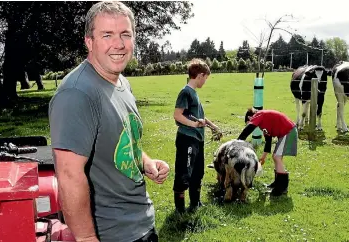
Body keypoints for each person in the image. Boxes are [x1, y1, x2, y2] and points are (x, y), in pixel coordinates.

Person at [48, 2, 169, 241]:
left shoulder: (120, 82)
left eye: (126, 34)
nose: (119, 44)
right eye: (107, 35)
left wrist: (146, 163)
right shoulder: (77, 93)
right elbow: (69, 175)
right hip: (111, 234)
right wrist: (86, 238)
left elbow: (122, 139)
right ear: (89, 42)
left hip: (140, 223)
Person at [172, 58, 220, 214]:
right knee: (184, 172)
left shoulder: (194, 94)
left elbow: (199, 116)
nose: (205, 81)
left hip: (198, 139)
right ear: (200, 75)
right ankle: (180, 212)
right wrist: (194, 125)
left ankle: (195, 204)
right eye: (206, 78)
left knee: (197, 172)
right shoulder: (185, 92)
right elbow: (177, 115)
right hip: (187, 139)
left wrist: (213, 126)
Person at [237, 107, 298, 196]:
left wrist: (237, 142)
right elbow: (268, 141)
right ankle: (277, 183)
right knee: (276, 157)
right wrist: (263, 157)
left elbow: (248, 130)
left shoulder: (259, 115)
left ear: (250, 118)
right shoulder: (264, 122)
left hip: (288, 131)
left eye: (249, 122)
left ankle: (281, 188)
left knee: (277, 157)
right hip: (287, 132)